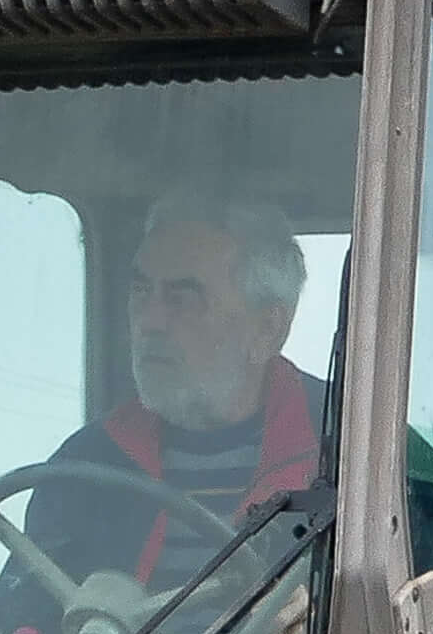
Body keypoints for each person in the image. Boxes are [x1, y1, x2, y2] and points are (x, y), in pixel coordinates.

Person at [19, 198, 323, 607]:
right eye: (142, 291)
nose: (149, 321)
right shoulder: (86, 464)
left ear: (267, 328)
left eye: (184, 298)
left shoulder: (353, 458)